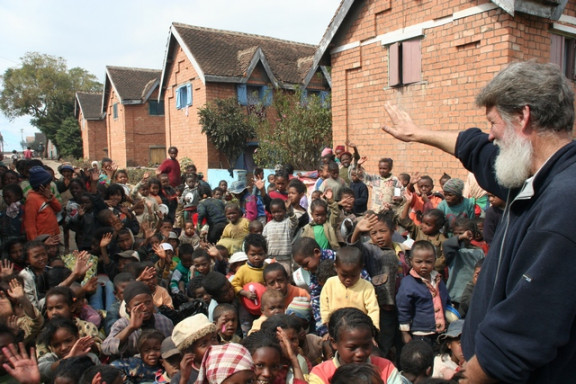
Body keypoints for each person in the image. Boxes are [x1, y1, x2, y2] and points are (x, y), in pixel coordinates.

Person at [381, 61, 576, 383]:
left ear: (523, 117)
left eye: (493, 123)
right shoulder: (533, 177)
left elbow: (528, 327)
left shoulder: (562, 203)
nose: (490, 135)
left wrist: (473, 375)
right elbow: (477, 151)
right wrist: (417, 134)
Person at [308, 307, 401, 384]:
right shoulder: (321, 374)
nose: (360, 354)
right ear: (333, 342)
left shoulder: (385, 367)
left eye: (366, 346)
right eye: (352, 347)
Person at [396, 241, 450, 345]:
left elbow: (445, 299)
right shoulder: (408, 283)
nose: (424, 265)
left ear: (434, 261)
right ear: (411, 261)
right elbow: (403, 308)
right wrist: (404, 332)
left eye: (428, 262)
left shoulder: (438, 279)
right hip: (420, 332)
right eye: (419, 262)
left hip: (440, 331)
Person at [319, 247, 379, 330]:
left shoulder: (367, 287)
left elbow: (373, 310)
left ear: (361, 268)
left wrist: (373, 330)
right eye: (344, 275)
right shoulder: (330, 283)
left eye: (353, 275)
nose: (348, 279)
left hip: (359, 328)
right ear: (336, 267)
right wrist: (326, 321)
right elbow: (324, 304)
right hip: (336, 327)